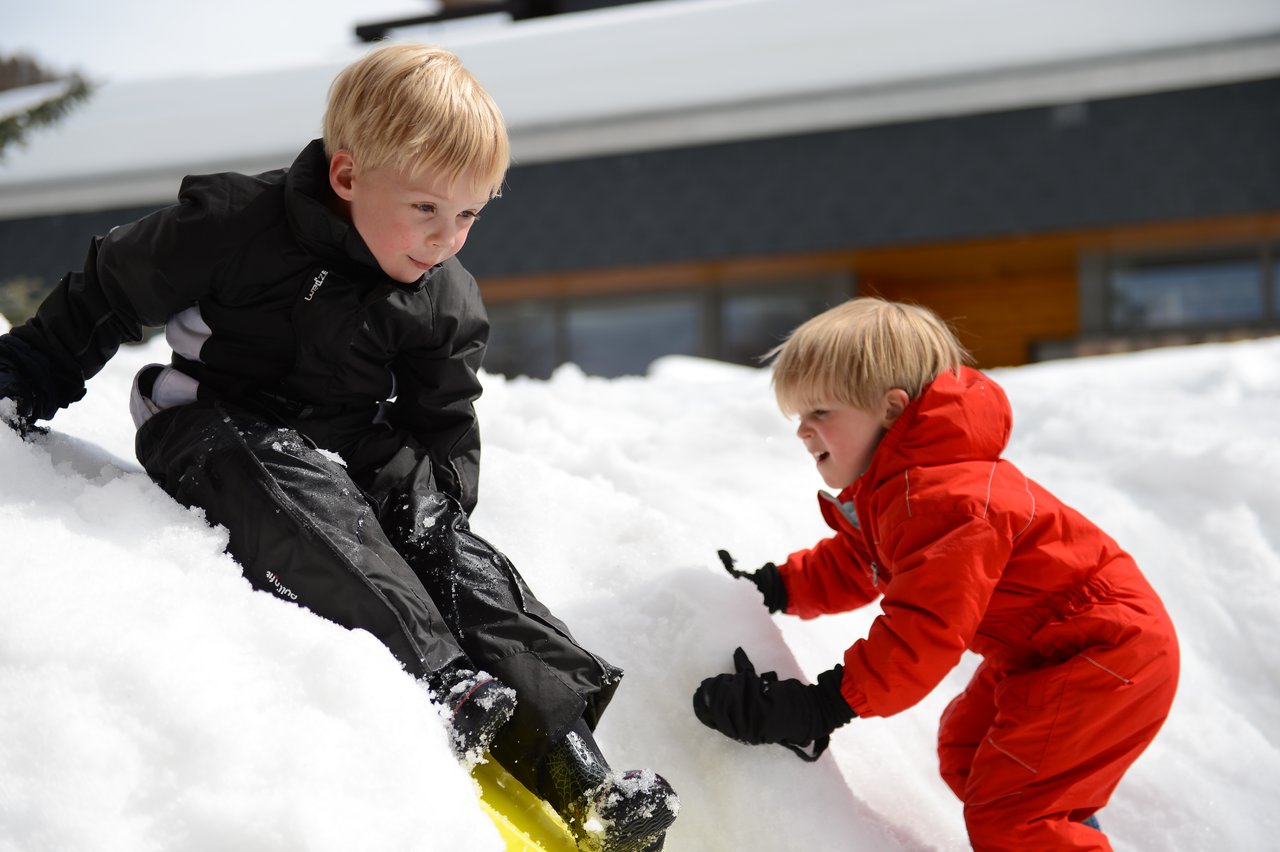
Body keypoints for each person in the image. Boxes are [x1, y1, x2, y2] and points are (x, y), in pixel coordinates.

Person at [0, 44, 678, 851]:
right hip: (213, 421)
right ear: (349, 177)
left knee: (449, 553)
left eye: (468, 215)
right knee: (296, 492)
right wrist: (25, 381)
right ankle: (440, 682)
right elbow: (110, 288)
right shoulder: (234, 224)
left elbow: (445, 418)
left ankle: (579, 772)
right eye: (427, 209)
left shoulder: (442, 295)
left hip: (345, 439)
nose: (446, 239)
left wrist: (438, 511)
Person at [693, 297, 1178, 851]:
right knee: (969, 754)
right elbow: (860, 563)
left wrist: (821, 705)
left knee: (1012, 814)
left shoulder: (952, 500)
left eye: (821, 412)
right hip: (1049, 654)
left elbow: (923, 629)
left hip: (1105, 653)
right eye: (798, 416)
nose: (804, 431)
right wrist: (775, 587)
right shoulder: (900, 491)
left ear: (893, 410)